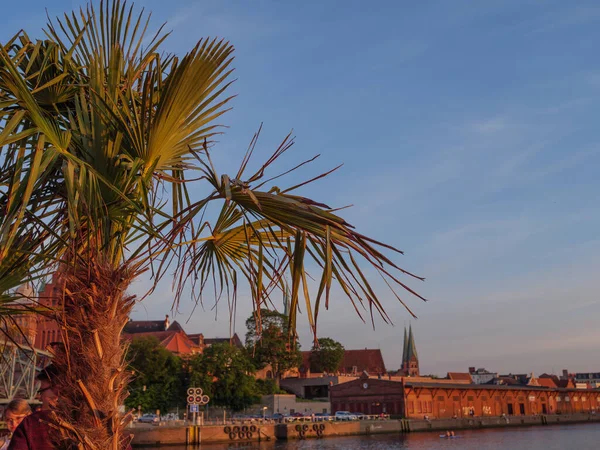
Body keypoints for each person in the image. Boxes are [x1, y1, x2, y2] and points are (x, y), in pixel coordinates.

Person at [8, 364, 59, 450]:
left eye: (41, 391)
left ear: (57, 390)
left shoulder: (30, 425)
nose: (40, 397)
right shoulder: (87, 423)